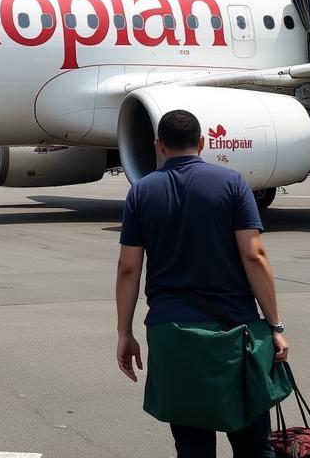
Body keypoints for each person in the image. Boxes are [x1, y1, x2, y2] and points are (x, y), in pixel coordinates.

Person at [115, 109, 289, 458]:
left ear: (159, 145)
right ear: (203, 142)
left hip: (173, 335)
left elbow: (129, 268)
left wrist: (124, 333)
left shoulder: (141, 193)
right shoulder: (232, 183)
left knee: (193, 447)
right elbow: (254, 255)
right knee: (254, 446)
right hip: (234, 332)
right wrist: (275, 325)